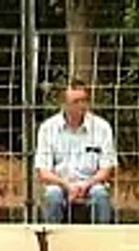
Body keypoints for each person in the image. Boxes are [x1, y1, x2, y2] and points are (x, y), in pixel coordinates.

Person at [36, 79, 117, 224]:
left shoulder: (102, 128)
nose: (81, 105)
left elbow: (106, 170)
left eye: (84, 100)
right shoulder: (47, 128)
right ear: (64, 104)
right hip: (60, 184)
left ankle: (104, 243)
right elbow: (43, 172)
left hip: (92, 184)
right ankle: (53, 243)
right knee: (52, 195)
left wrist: (85, 185)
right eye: (76, 101)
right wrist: (67, 185)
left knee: (100, 195)